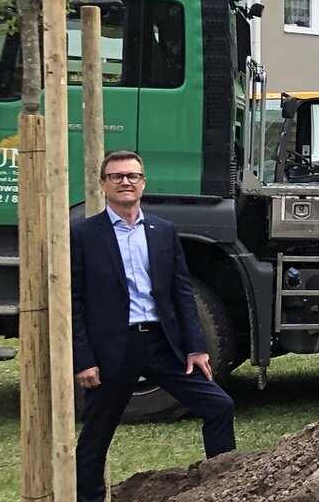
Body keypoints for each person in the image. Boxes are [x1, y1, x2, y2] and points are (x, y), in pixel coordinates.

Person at [72, 150, 235, 502]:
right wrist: (83, 359)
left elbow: (180, 292)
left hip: (163, 345)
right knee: (95, 440)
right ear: (103, 185)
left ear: (143, 183)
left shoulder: (162, 231)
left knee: (219, 406)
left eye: (133, 176)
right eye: (116, 177)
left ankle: (224, 488)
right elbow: (74, 302)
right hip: (113, 350)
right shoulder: (83, 234)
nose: (126, 182)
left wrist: (196, 347)